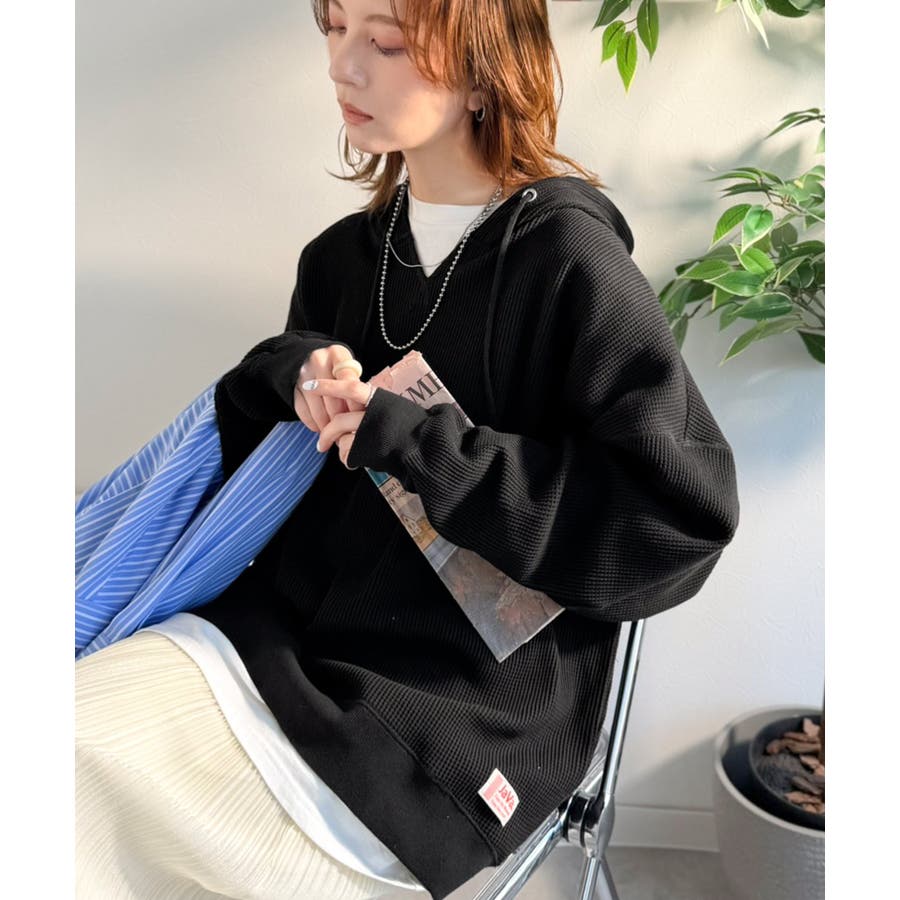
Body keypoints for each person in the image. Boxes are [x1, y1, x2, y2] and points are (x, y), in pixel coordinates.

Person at [75, 1, 741, 898]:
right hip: (272, 644)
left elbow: (677, 522)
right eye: (334, 29)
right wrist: (294, 375)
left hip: (442, 719)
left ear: (483, 66)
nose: (343, 66)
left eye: (385, 41)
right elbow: (263, 465)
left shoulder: (567, 262)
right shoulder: (341, 260)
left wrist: (423, 445)